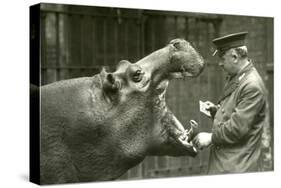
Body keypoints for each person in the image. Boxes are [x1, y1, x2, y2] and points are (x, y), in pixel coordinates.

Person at [192, 32, 268, 174]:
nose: (220, 63)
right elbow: (236, 110)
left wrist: (210, 137)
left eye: (222, 58)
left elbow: (238, 128)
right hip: (228, 162)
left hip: (238, 166)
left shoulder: (251, 85)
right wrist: (216, 111)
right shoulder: (239, 77)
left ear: (234, 57)